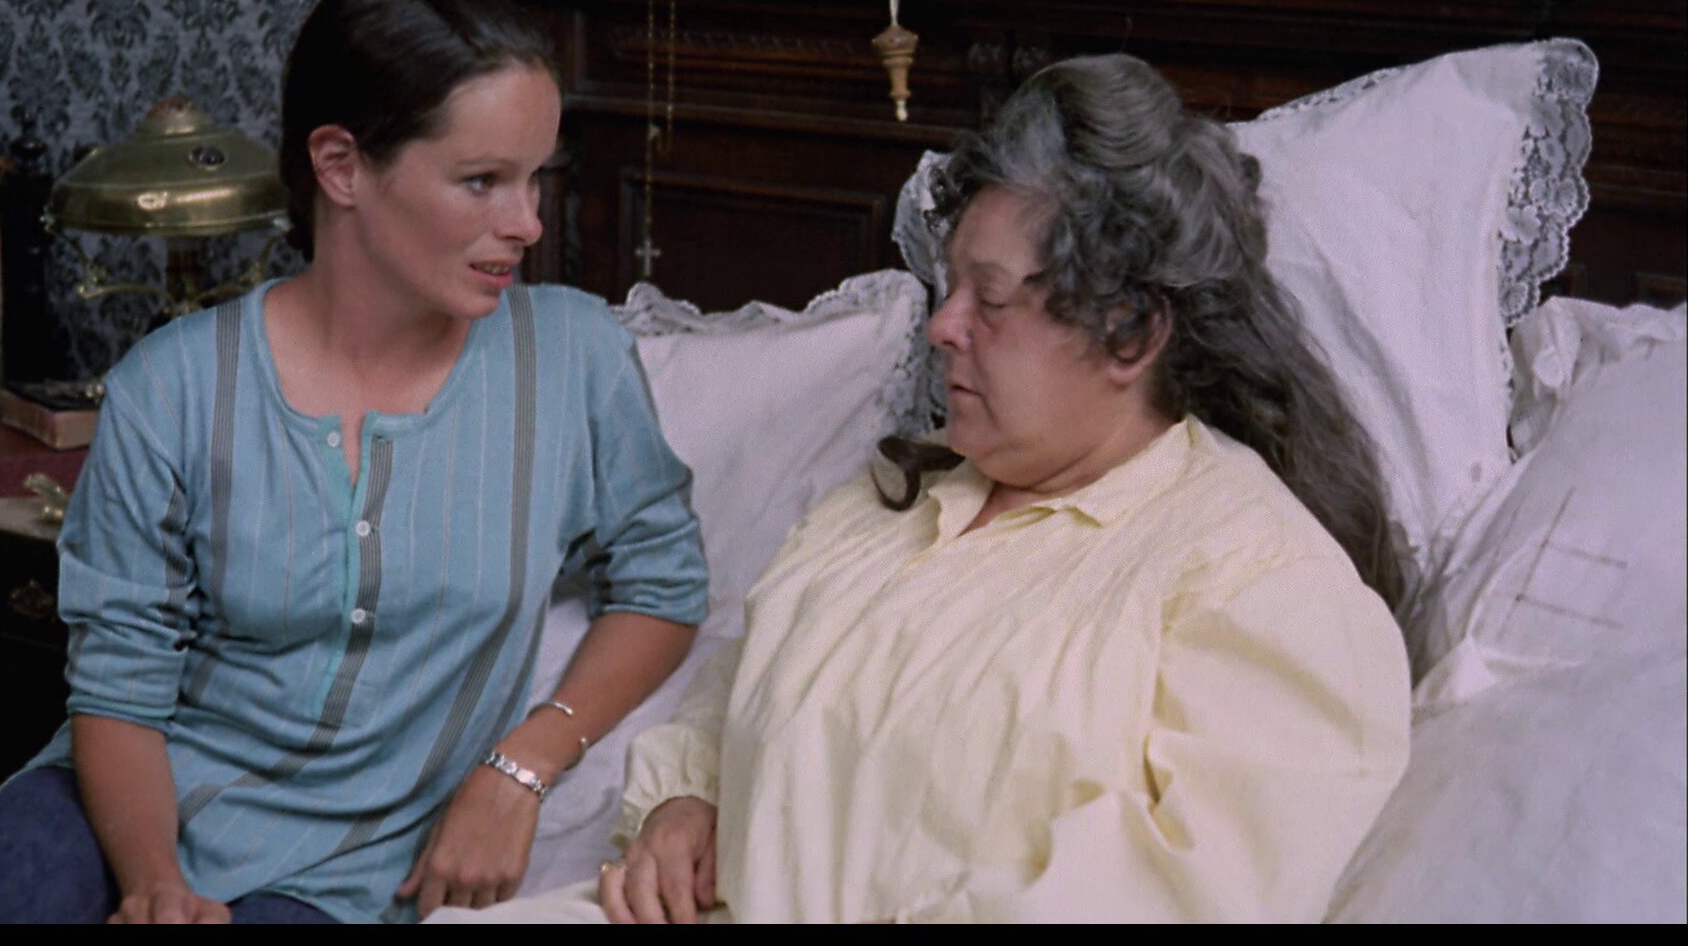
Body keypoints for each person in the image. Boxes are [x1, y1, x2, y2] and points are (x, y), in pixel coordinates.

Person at [437, 54, 1412, 924]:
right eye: (951, 289)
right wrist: (688, 803)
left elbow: (1202, 895)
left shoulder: (1259, 578)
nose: (944, 326)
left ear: (1130, 332)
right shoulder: (888, 503)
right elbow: (738, 691)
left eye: (992, 299)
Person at [0, 0, 708, 925]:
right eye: (482, 181)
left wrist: (520, 767)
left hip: (349, 877)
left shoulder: (572, 357)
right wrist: (152, 884)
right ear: (341, 167)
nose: (527, 223)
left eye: (534, 178)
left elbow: (661, 586)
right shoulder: (171, 386)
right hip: (117, 812)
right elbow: (120, 690)